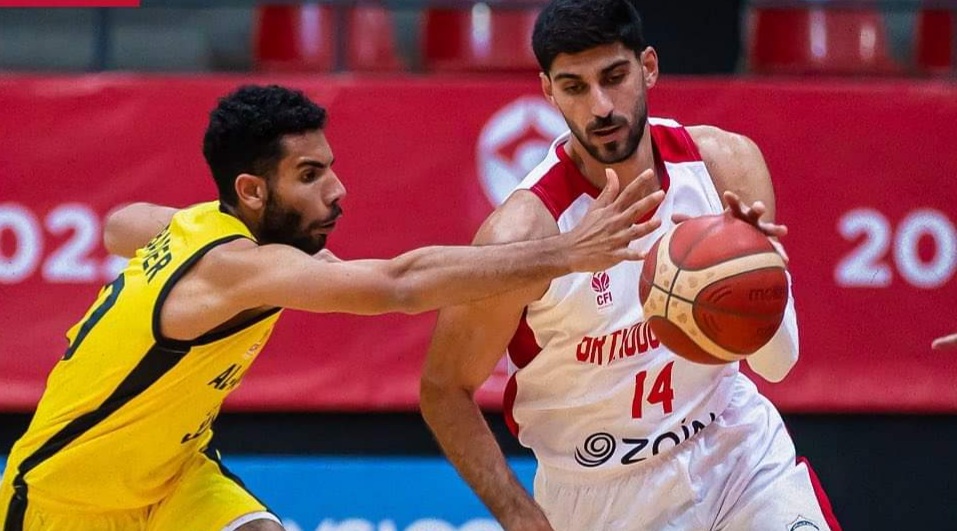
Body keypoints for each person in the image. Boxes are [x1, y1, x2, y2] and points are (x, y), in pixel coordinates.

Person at [0, 84, 665, 531]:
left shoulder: (208, 233)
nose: (338, 190)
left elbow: (119, 223)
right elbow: (399, 284)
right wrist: (564, 253)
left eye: (330, 166)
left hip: (173, 479)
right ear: (251, 191)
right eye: (310, 176)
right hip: (64, 500)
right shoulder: (236, 268)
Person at [419, 1, 841, 530]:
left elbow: (778, 365)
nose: (599, 107)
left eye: (614, 77)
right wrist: (518, 514)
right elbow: (444, 388)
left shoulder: (725, 166)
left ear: (648, 67)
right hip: (602, 496)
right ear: (548, 91)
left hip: (736, 454)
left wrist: (759, 262)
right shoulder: (524, 235)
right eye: (574, 87)